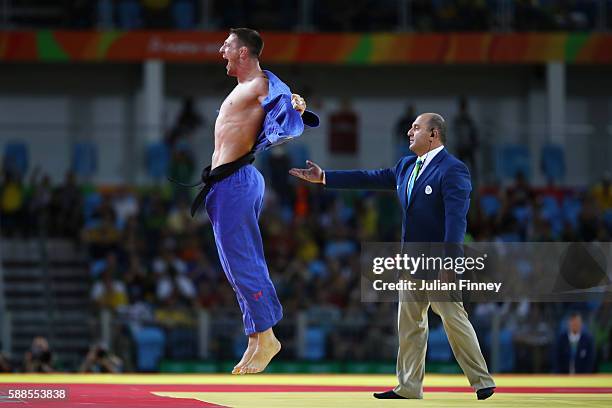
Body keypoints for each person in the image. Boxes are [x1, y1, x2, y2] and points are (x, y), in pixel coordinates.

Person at [290, 112, 496, 400]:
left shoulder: (453, 169)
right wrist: (325, 177)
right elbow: (370, 177)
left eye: (416, 128)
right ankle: (409, 386)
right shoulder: (406, 166)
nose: (409, 133)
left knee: (452, 317)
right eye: (410, 128)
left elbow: (456, 220)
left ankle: (482, 380)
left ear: (434, 134)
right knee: (409, 325)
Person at [188, 28, 318, 375]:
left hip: (237, 181)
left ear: (243, 52)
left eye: (227, 46)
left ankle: (269, 335)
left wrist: (296, 106)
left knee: (244, 262)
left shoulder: (261, 84)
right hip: (225, 184)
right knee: (234, 267)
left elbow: (286, 112)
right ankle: (255, 337)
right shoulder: (242, 88)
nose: (221, 50)